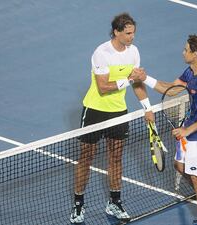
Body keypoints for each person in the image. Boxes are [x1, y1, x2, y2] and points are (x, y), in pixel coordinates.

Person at [70, 13, 154, 224]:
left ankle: (114, 202)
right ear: (116, 32)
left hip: (118, 112)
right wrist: (129, 78)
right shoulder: (102, 53)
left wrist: (147, 107)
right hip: (95, 110)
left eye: (133, 32)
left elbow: (137, 83)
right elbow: (103, 87)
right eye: (127, 33)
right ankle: (79, 203)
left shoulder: (133, 52)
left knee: (116, 157)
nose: (132, 37)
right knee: (86, 157)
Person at [141, 35, 197, 225]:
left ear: (196, 54)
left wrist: (187, 130)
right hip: (192, 129)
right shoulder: (190, 72)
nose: (183, 52)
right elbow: (170, 89)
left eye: (186, 50)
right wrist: (144, 78)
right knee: (179, 166)